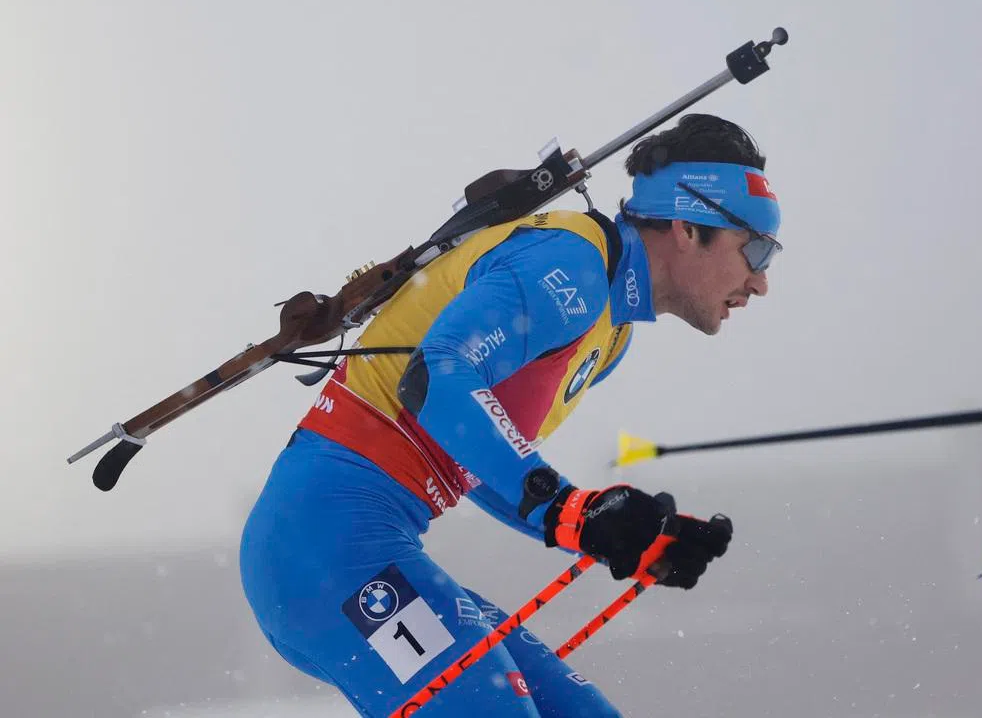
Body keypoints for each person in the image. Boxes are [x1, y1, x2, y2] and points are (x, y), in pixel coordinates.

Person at [239, 113, 782, 716]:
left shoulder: (611, 332)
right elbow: (437, 376)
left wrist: (612, 534)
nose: (760, 282)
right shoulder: (571, 261)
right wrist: (570, 507)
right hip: (324, 546)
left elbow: (479, 463)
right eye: (755, 249)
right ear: (688, 226)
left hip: (356, 548)